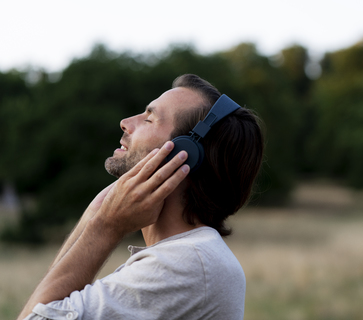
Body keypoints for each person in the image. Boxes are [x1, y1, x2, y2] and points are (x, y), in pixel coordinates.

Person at [18, 74, 264, 320]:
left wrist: (106, 226)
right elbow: (47, 307)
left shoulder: (187, 263)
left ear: (184, 153)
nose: (125, 122)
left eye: (149, 118)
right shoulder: (193, 257)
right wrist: (97, 211)